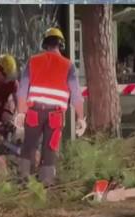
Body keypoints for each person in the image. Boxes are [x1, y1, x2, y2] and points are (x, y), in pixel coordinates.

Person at [15, 28, 87, 187]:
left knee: (29, 144)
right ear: (61, 45)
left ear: (45, 44)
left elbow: (22, 90)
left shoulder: (33, 61)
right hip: (55, 114)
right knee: (50, 147)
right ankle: (46, 182)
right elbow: (76, 95)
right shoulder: (68, 66)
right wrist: (81, 118)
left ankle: (24, 179)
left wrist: (21, 113)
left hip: (34, 111)